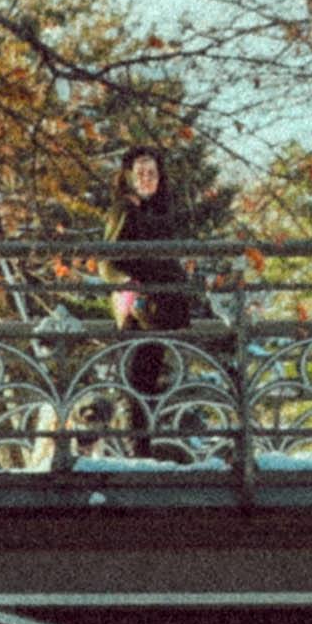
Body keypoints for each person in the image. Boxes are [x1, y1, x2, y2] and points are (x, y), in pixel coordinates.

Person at [108, 144, 206, 454]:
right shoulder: (125, 209)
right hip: (141, 308)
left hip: (163, 307)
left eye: (152, 173)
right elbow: (108, 260)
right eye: (140, 173)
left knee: (152, 378)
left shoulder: (161, 208)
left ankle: (148, 447)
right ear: (128, 177)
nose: (147, 179)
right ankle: (139, 451)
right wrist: (127, 285)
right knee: (139, 379)